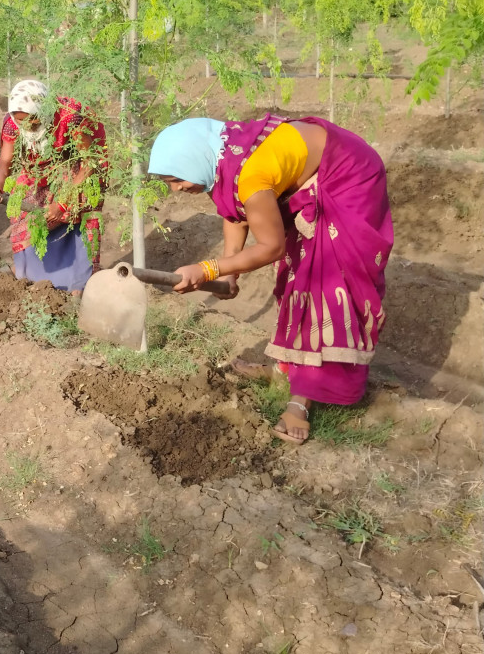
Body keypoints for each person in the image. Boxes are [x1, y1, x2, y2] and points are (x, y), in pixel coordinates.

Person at [148, 113, 393, 444]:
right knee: (298, 272)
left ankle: (302, 401)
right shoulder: (223, 159)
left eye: (176, 179)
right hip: (313, 176)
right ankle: (286, 368)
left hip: (348, 176)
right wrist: (231, 273)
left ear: (195, 160)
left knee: (323, 281)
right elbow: (237, 213)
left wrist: (207, 269)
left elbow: (272, 246)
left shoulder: (251, 174)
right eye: (168, 182)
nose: (176, 189)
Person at [0, 80, 107, 292]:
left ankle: (80, 284)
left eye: (32, 122)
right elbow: (5, 164)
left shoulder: (70, 118)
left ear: (44, 113)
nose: (26, 127)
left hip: (76, 168)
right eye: (20, 121)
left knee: (82, 207)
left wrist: (61, 204)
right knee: (27, 215)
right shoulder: (12, 124)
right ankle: (24, 272)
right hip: (38, 170)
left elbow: (89, 163)